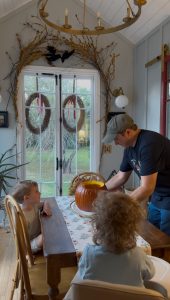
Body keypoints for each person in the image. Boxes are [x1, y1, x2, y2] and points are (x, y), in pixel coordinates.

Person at [64, 192, 155, 300]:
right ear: (133, 228)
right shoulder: (139, 255)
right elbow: (150, 274)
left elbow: (83, 273)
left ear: (97, 226)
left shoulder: (89, 253)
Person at [103, 114, 170, 236]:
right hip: (157, 195)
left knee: (165, 241)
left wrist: (120, 205)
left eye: (116, 138)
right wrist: (100, 190)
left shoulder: (149, 144)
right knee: (152, 235)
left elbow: (147, 187)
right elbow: (121, 176)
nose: (116, 143)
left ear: (127, 132)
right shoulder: (129, 148)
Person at [12, 180, 52, 253]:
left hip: (37, 234)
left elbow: (46, 201)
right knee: (45, 237)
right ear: (26, 198)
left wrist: (46, 207)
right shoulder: (22, 217)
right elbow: (21, 242)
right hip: (29, 244)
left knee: (50, 230)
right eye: (36, 191)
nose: (40, 193)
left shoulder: (34, 205)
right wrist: (26, 253)